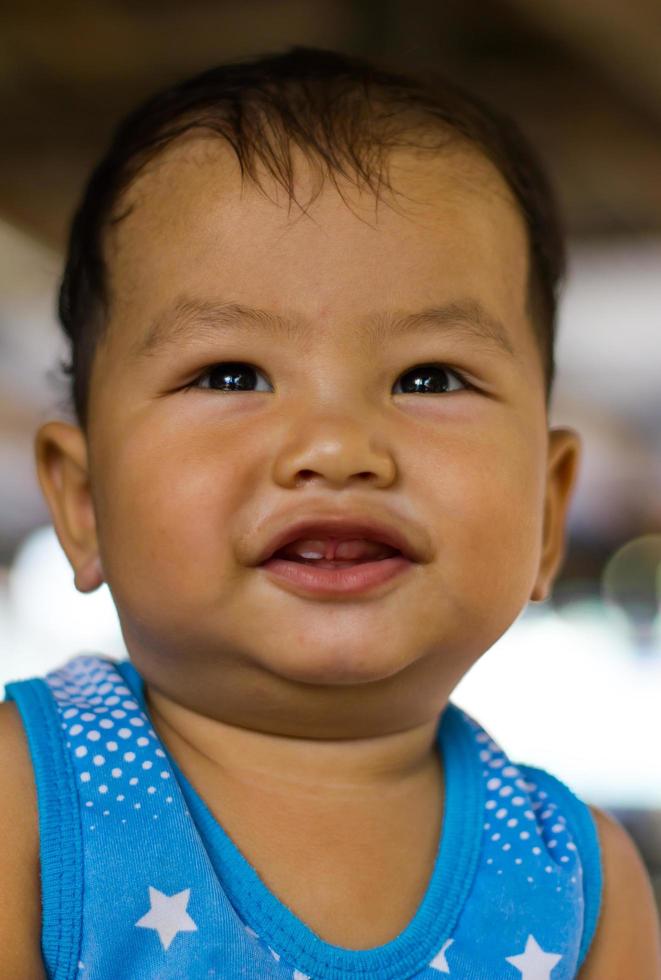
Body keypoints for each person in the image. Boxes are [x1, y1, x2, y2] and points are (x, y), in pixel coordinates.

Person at [1, 46, 659, 979]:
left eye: (428, 378)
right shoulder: (35, 801)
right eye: (230, 374)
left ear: (548, 513)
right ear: (83, 501)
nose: (339, 447)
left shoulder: (579, 885)